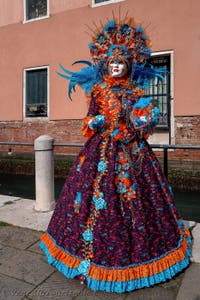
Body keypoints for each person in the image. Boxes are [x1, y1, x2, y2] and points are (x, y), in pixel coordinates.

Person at [40, 17, 191, 293]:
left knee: (137, 200)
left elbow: (142, 125)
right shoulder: (98, 90)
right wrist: (94, 121)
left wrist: (142, 121)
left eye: (121, 62)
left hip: (130, 151)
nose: (116, 66)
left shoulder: (135, 92)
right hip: (99, 150)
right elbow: (87, 121)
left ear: (129, 65)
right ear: (105, 64)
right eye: (112, 62)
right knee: (84, 199)